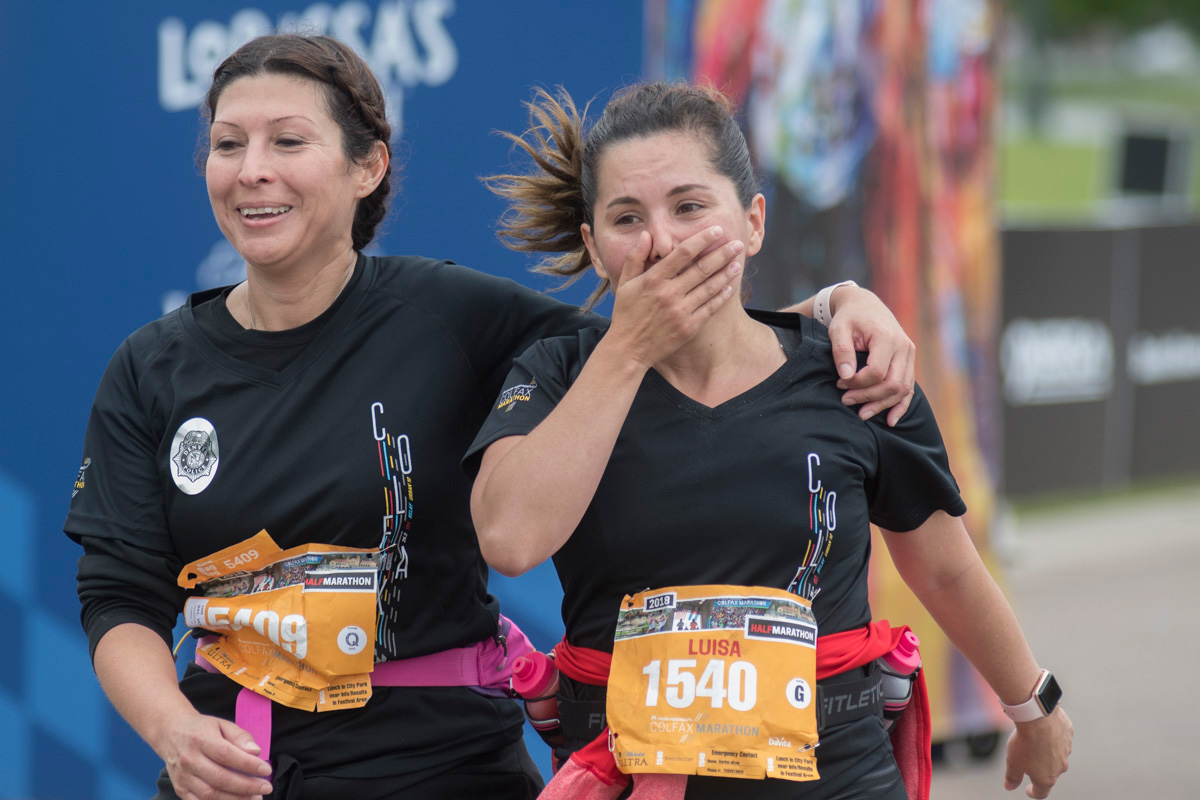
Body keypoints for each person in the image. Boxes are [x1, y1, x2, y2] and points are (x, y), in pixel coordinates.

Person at [64, 34, 917, 800]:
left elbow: (666, 345)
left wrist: (837, 305)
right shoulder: (150, 368)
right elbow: (117, 596)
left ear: (369, 167)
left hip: (441, 766)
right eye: (226, 144)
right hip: (238, 775)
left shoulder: (454, 317)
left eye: (288, 141)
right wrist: (174, 732)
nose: (252, 168)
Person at [467, 83, 1073, 799]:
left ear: (753, 222)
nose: (661, 241)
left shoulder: (854, 368)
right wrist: (627, 351)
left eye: (690, 207)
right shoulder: (561, 374)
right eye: (628, 218)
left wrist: (1035, 707)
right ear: (595, 249)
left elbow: (945, 569)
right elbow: (508, 540)